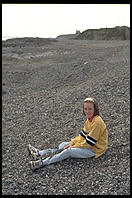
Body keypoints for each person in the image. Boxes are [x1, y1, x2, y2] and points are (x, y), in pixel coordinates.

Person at [28, 97, 108, 171]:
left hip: (94, 149)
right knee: (63, 145)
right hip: (88, 144)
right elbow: (82, 136)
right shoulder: (89, 120)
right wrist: (72, 142)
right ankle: (39, 153)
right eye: (85, 109)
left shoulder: (97, 122)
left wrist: (73, 146)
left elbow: (90, 143)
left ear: (95, 109)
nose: (87, 111)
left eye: (90, 109)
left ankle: (42, 163)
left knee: (68, 151)